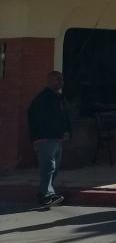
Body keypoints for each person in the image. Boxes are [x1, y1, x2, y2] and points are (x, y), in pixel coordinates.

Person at [28, 71, 72, 207]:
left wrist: (68, 131)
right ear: (49, 81)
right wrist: (36, 137)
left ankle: (47, 193)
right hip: (45, 138)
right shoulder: (42, 99)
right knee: (48, 167)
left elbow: (65, 116)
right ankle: (45, 195)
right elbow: (41, 119)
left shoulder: (59, 97)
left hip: (57, 138)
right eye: (58, 79)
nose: (61, 82)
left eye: (62, 79)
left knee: (55, 167)